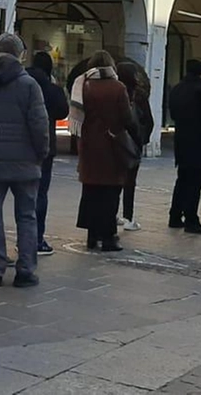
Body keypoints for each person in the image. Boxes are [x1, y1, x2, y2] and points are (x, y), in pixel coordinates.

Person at [0, 34, 48, 288]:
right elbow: (39, 124)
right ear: (20, 54)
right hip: (25, 160)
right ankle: (26, 269)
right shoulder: (29, 85)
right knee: (27, 215)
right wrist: (41, 153)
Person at [75, 51, 137, 251]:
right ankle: (109, 237)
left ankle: (92, 236)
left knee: (91, 191)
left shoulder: (83, 86)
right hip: (112, 146)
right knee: (110, 193)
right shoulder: (118, 87)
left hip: (89, 146)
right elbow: (127, 118)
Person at [167, 59, 201, 234]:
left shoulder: (177, 89)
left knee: (182, 180)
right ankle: (191, 219)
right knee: (195, 182)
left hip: (182, 140)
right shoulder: (199, 90)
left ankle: (175, 215)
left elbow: (173, 113)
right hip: (198, 141)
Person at [27, 52, 69, 256]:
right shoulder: (50, 89)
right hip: (44, 146)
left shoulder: (20, 82)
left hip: (20, 146)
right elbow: (63, 111)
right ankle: (36, 239)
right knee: (40, 193)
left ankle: (21, 237)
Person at [116, 61, 154, 233]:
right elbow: (149, 121)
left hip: (116, 141)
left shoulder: (115, 92)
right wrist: (141, 140)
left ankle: (114, 214)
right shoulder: (139, 96)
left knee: (115, 179)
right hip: (133, 144)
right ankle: (129, 217)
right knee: (130, 182)